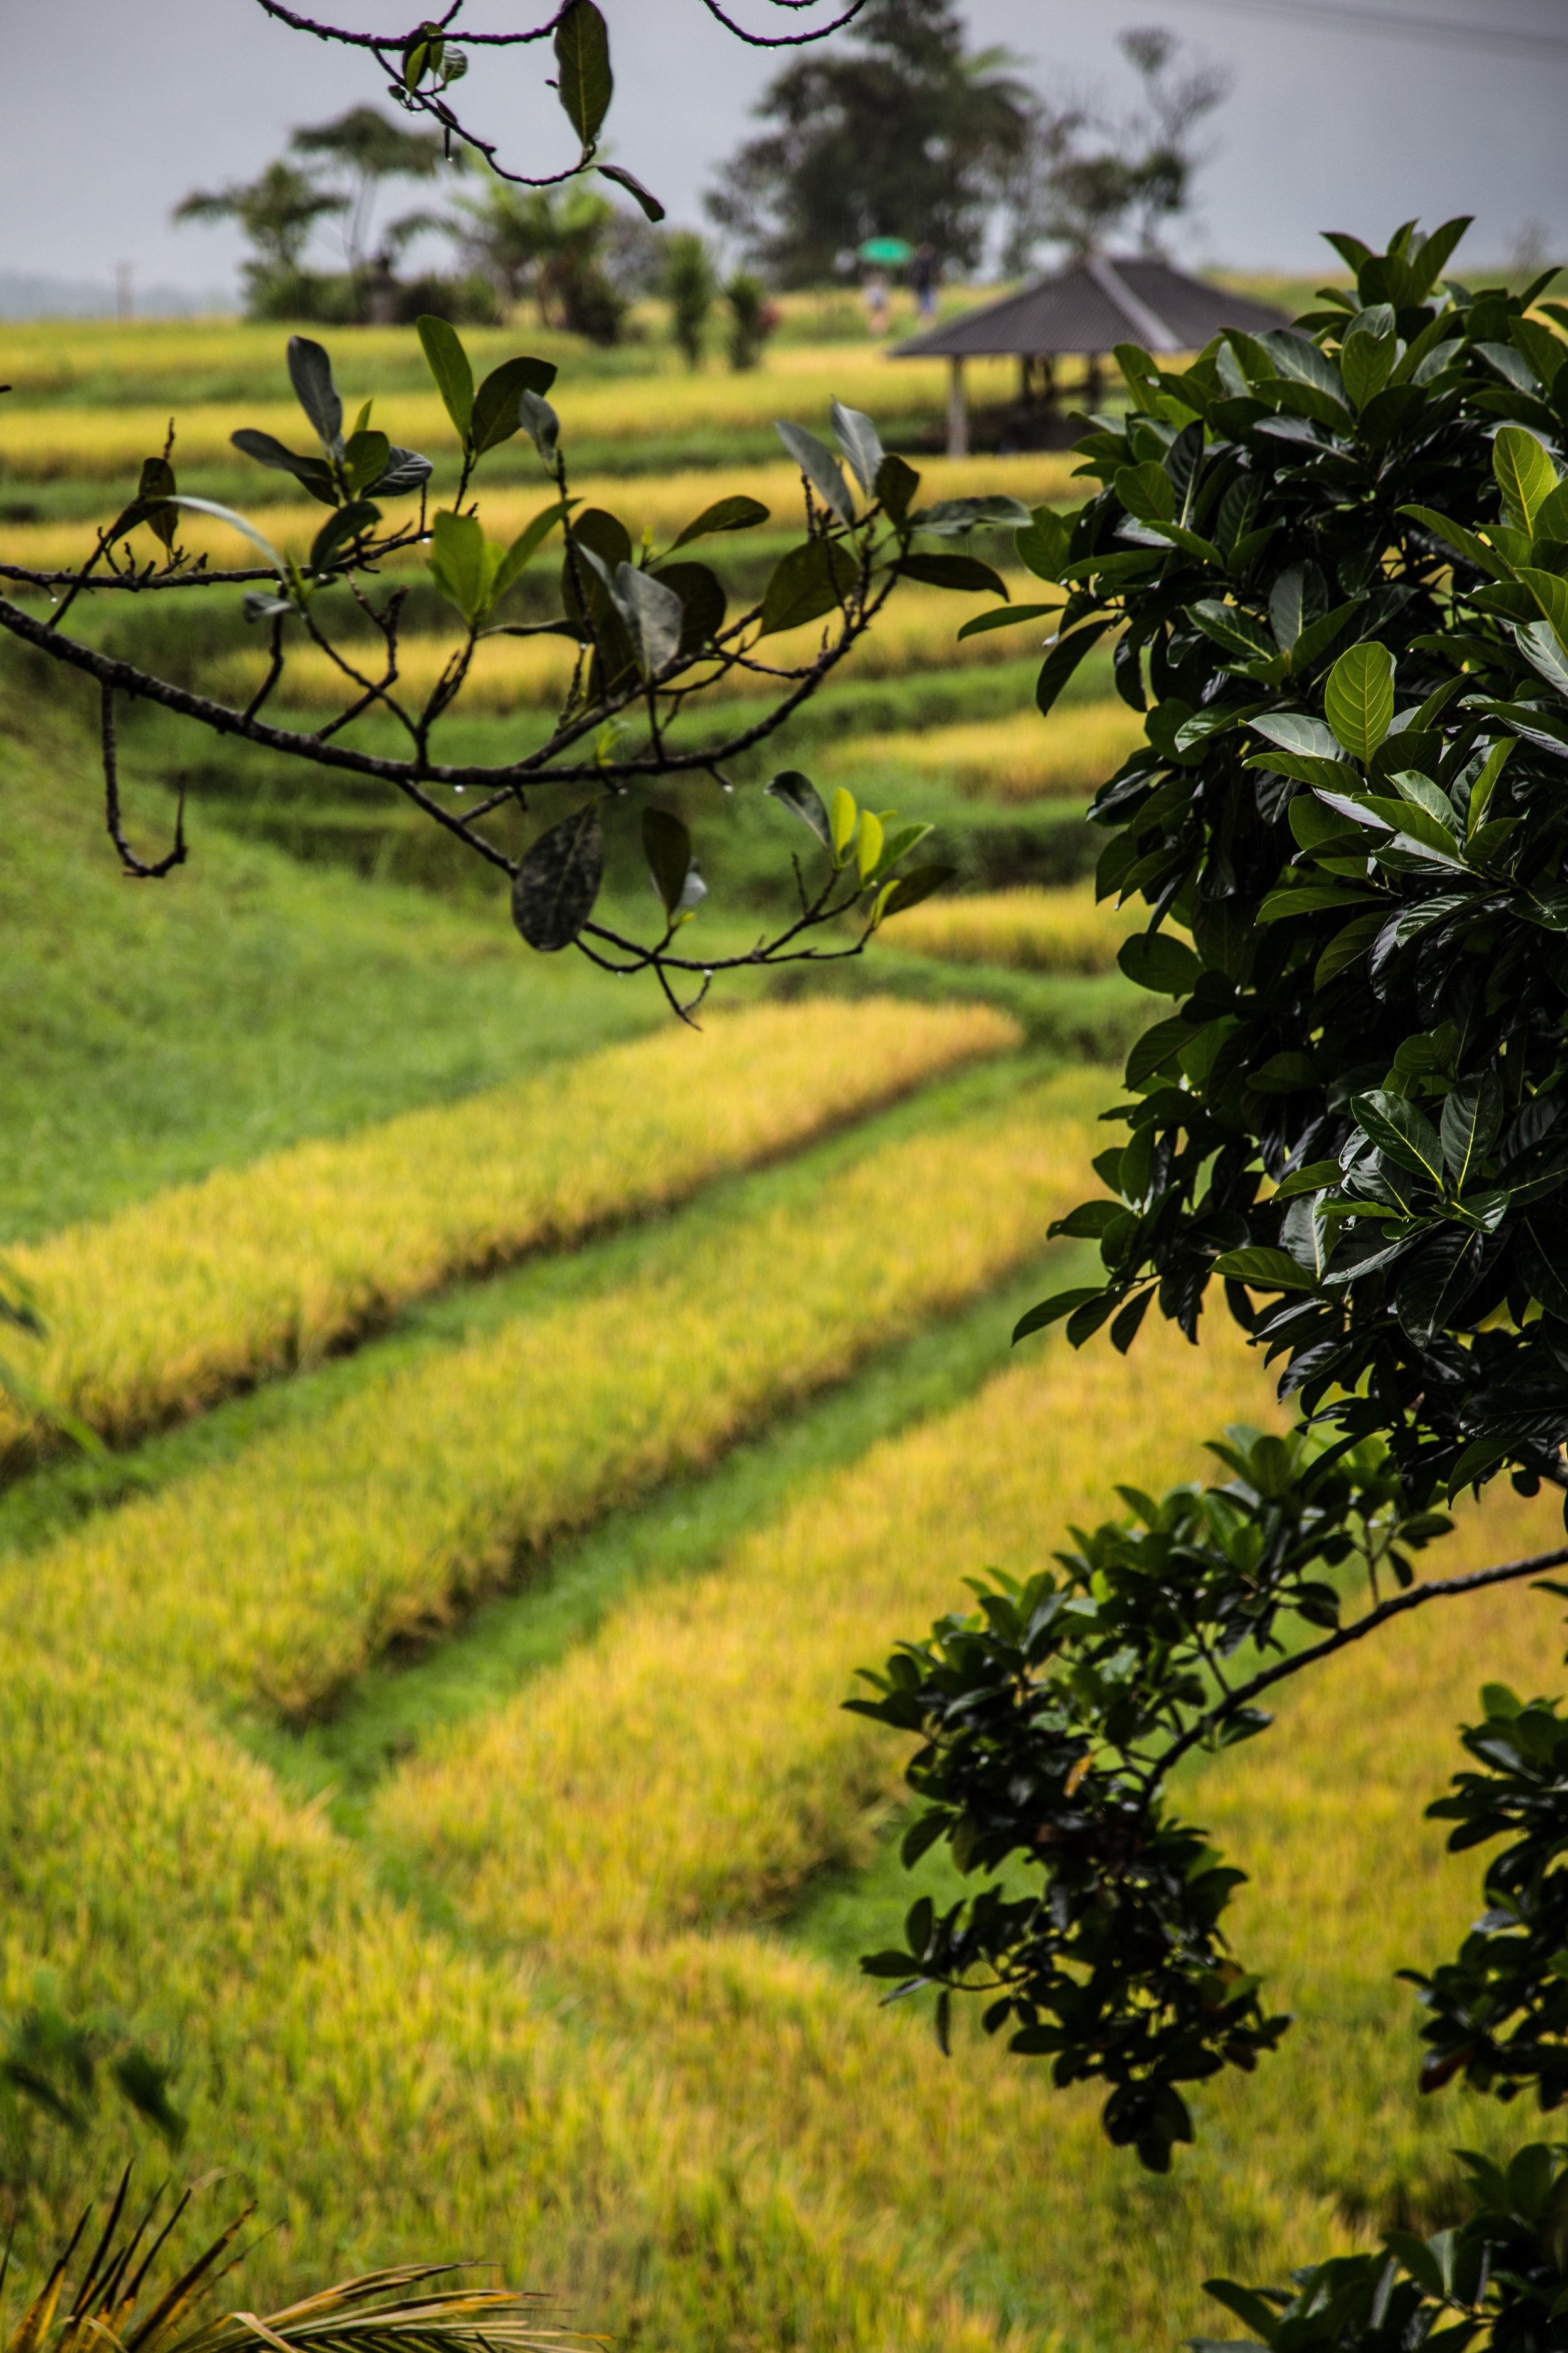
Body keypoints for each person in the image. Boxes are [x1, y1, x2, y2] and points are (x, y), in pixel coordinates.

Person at [910, 243, 940, 323]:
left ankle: (924, 318)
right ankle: (927, 320)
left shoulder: (917, 261)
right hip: (928, 284)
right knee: (928, 303)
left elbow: (912, 273)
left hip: (919, 285)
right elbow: (934, 272)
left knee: (922, 303)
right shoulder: (930, 260)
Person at [862, 267, 889, 335]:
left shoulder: (868, 280)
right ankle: (876, 331)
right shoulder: (879, 280)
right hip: (877, 300)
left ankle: (874, 331)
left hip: (871, 299)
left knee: (873, 316)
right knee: (880, 316)